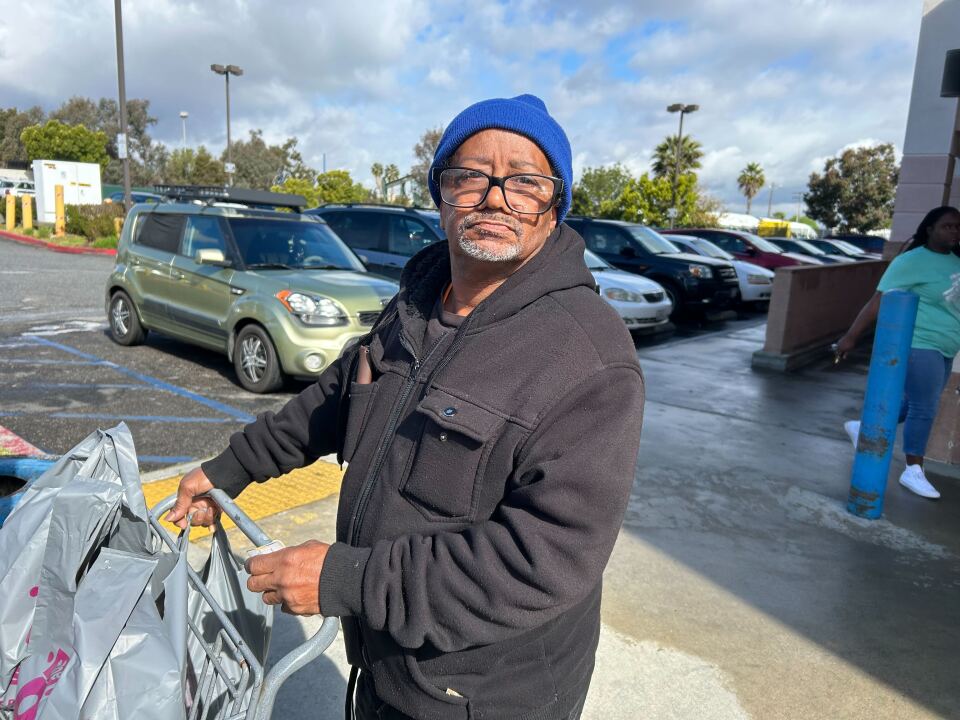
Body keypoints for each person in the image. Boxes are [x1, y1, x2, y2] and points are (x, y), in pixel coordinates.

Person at [167, 94, 645, 720]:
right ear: (440, 196)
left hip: (484, 694)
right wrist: (226, 472)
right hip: (385, 662)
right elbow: (334, 398)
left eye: (526, 182)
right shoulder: (416, 305)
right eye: (470, 176)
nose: (495, 197)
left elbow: (542, 561)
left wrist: (348, 580)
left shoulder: (591, 359)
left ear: (554, 209)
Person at [836, 205, 960, 499]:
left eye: (958, 227)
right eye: (948, 226)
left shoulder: (957, 261)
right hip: (920, 342)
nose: (954, 231)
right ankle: (913, 469)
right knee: (924, 407)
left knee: (918, 402)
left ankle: (862, 425)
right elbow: (878, 300)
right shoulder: (911, 261)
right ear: (929, 229)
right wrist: (850, 337)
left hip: (946, 346)